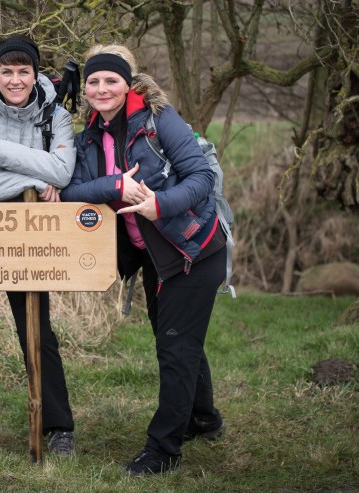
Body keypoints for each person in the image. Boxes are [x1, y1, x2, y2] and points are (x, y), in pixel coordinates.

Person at [60, 44, 227, 475]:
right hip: (153, 255)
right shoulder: (91, 134)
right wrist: (114, 186)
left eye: (111, 80)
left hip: (193, 248)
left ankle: (163, 450)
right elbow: (72, 191)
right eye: (93, 81)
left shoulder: (158, 120)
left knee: (175, 344)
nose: (101, 88)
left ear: (128, 84)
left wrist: (159, 205)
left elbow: (201, 177)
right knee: (176, 337)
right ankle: (204, 419)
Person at [0, 35, 76, 455]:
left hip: (31, 239)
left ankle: (59, 429)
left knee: (37, 332)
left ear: (36, 73)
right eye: (7, 71)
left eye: (24, 71)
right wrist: (31, 180)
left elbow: (62, 170)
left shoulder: (55, 117)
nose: (16, 79)